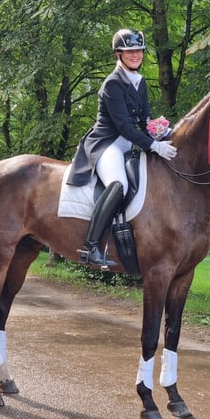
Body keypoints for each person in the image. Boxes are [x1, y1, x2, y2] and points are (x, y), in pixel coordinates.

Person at [66, 28, 178, 266]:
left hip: (130, 144)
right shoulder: (112, 84)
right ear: (119, 54)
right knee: (119, 184)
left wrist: (164, 131)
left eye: (139, 50)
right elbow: (125, 127)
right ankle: (91, 246)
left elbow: (145, 119)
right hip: (107, 144)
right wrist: (154, 147)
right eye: (130, 51)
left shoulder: (140, 82)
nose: (135, 55)